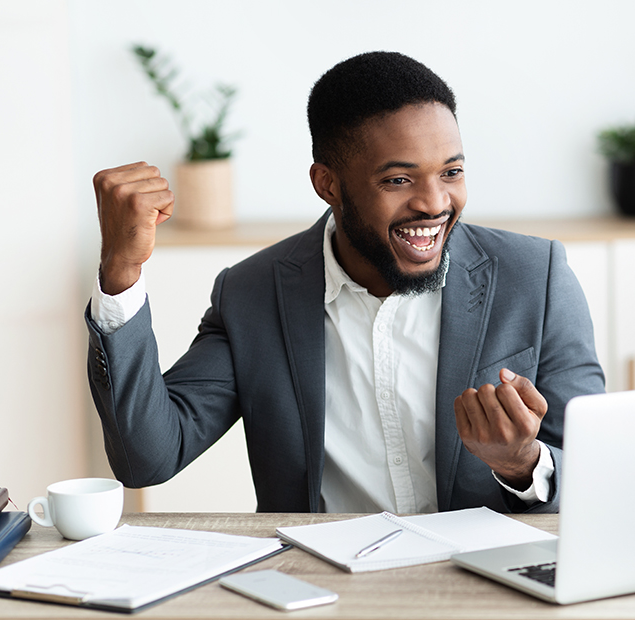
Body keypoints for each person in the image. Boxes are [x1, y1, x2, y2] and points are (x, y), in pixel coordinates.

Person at [86, 51, 604, 514]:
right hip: (324, 590)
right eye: (398, 180)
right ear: (327, 184)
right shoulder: (253, 294)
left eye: (450, 172)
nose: (434, 203)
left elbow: (599, 477)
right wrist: (121, 274)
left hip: (482, 587)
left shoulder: (536, 278)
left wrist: (521, 463)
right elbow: (148, 456)